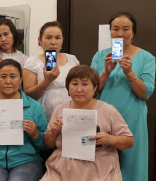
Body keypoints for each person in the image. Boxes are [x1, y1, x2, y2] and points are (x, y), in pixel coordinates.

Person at [91, 12, 155, 181]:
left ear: (133, 33)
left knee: (133, 164)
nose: (120, 33)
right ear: (110, 32)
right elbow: (91, 90)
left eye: (126, 29)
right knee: (102, 163)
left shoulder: (147, 57)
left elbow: (144, 93)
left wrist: (129, 72)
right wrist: (106, 71)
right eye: (115, 29)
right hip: (103, 118)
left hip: (133, 116)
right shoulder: (100, 56)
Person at [41, 65, 134, 181]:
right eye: (74, 84)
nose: (79, 89)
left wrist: (111, 139)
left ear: (95, 87)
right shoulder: (60, 109)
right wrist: (53, 133)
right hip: (63, 165)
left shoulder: (108, 110)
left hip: (99, 167)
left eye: (85, 84)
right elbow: (48, 144)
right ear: (68, 87)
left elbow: (129, 141)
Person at [0, 59, 48, 181]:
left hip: (27, 161)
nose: (8, 81)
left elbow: (46, 145)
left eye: (13, 76)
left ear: (20, 79)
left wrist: (35, 134)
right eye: (3, 76)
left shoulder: (34, 107)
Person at [23, 21, 80, 123]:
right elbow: (28, 95)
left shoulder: (72, 59)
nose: (53, 42)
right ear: (40, 40)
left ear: (62, 40)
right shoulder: (32, 62)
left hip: (71, 112)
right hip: (44, 114)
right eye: (48, 38)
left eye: (57, 38)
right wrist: (47, 80)